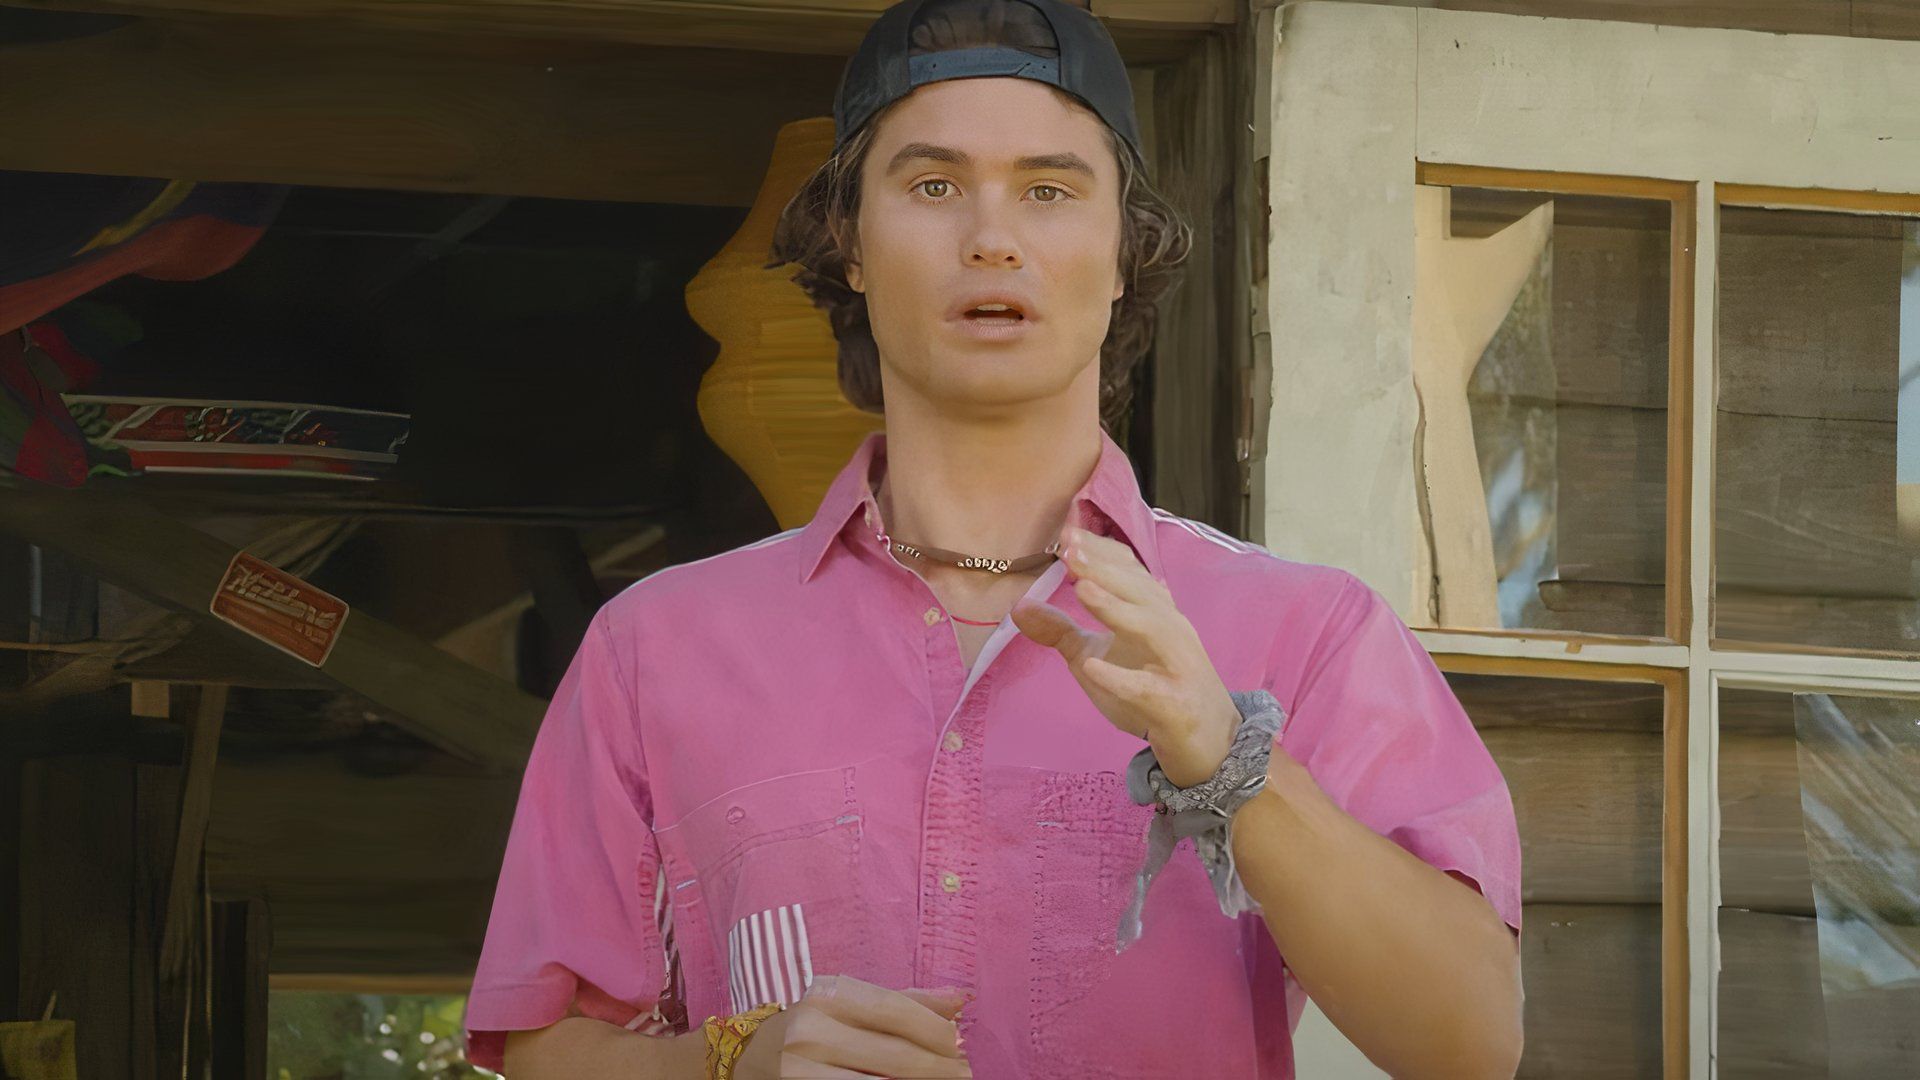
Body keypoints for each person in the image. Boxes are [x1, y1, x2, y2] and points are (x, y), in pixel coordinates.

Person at [462, 0, 1525, 1075]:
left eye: (1050, 190)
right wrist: (735, 1059)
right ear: (852, 244)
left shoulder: (1310, 630)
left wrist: (1231, 758)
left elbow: (1472, 1043)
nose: (991, 237)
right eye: (931, 186)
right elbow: (547, 1044)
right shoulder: (655, 647)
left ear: (1123, 255)